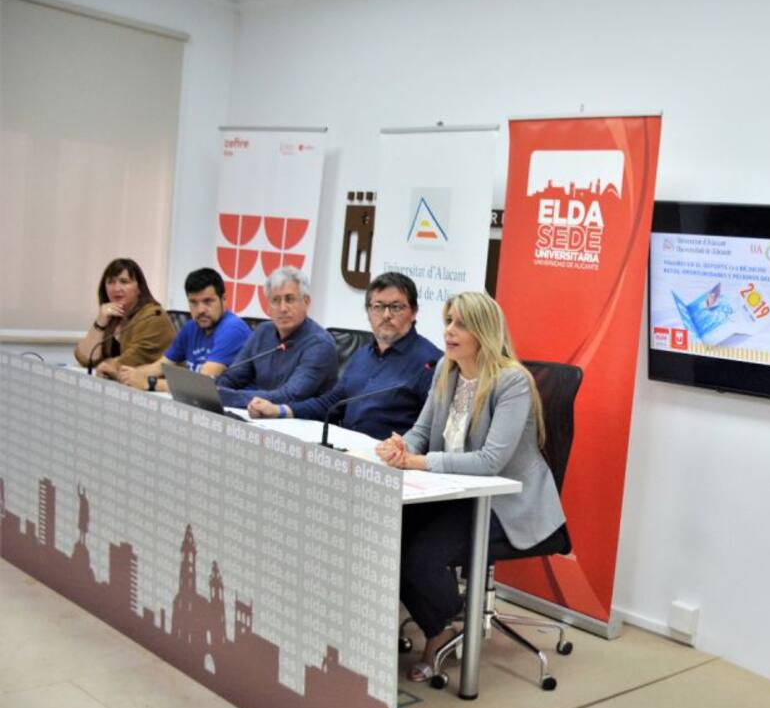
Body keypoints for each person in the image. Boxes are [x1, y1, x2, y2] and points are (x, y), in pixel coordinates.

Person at [375, 291, 566, 682]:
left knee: (421, 556)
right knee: (387, 534)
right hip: (456, 492)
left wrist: (419, 461)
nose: (449, 331)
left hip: (504, 502)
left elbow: (490, 461)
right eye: (448, 321)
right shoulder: (446, 370)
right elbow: (422, 431)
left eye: (461, 324)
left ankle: (446, 626)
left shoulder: (512, 381)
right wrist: (401, 447)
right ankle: (447, 618)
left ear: (484, 331)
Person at [247, 272, 440, 439]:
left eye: (396, 307)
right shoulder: (362, 355)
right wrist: (279, 411)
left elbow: (431, 431)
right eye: (378, 306)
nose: (386, 315)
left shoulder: (431, 363)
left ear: (414, 312)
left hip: (391, 461)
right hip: (346, 452)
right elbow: (330, 404)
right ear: (368, 312)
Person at [215, 266, 338, 408]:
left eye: (290, 299)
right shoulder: (262, 332)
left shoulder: (320, 344)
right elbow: (231, 377)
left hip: (300, 419)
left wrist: (225, 396)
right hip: (261, 415)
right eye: (275, 300)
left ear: (306, 302)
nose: (283, 308)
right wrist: (213, 391)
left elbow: (290, 395)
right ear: (268, 307)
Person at [116, 267, 252, 392]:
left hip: (237, 407)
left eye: (208, 301)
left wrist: (151, 383)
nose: (200, 310)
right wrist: (131, 375)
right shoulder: (191, 327)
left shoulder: (233, 330)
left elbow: (202, 385)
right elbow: (160, 366)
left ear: (224, 300)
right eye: (193, 302)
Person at [74, 258, 175, 378]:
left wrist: (106, 365)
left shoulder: (153, 316)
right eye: (111, 282)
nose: (116, 288)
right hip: (120, 383)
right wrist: (100, 322)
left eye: (124, 282)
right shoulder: (113, 316)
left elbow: (131, 361)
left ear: (139, 288)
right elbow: (85, 359)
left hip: (152, 386)